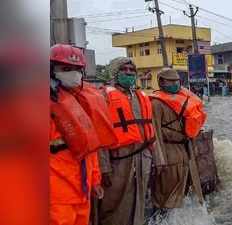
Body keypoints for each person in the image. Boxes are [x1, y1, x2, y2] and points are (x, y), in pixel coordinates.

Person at [50, 44, 115, 225]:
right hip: (56, 194)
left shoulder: (82, 102)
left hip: (82, 191)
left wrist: (95, 181)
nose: (73, 74)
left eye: (77, 69)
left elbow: (89, 148)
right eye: (65, 69)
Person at [98, 57, 163, 225]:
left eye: (131, 70)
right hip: (118, 160)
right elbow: (99, 135)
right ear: (115, 72)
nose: (128, 73)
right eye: (124, 70)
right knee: (114, 202)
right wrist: (104, 168)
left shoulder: (141, 96)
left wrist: (158, 159)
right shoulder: (103, 97)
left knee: (140, 198)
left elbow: (151, 130)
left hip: (143, 158)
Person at [150, 68, 207, 210]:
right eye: (171, 81)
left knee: (187, 191)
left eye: (177, 81)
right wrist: (159, 160)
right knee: (167, 195)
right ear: (161, 82)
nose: (175, 84)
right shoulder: (156, 103)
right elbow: (155, 133)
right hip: (168, 153)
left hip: (185, 151)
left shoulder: (184, 100)